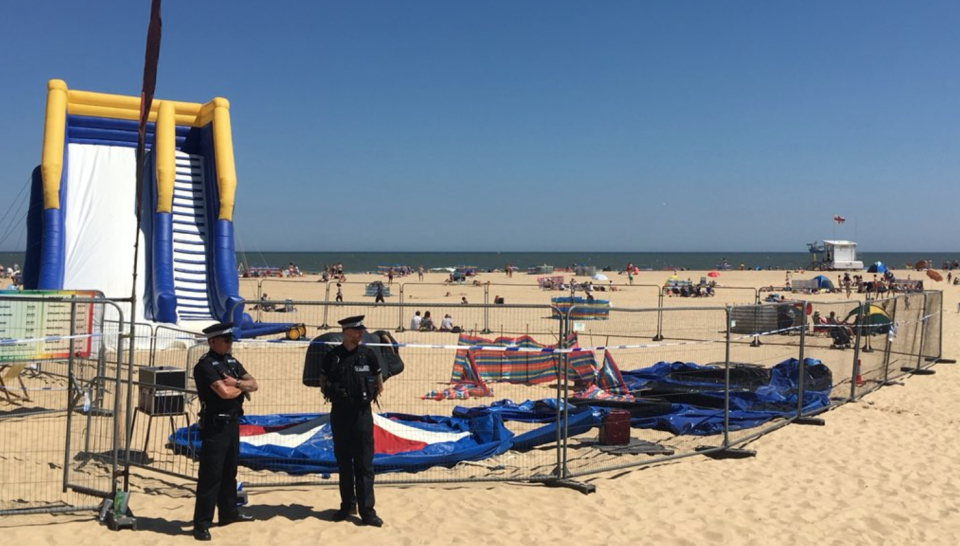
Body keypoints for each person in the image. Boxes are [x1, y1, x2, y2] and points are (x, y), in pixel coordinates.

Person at [192, 323, 258, 541]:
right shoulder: (205, 365)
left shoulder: (230, 362)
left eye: (231, 340)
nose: (230, 344)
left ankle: (229, 513)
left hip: (232, 423)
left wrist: (237, 382)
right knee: (211, 475)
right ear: (213, 341)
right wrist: (240, 386)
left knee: (230, 471)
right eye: (226, 340)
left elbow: (254, 383)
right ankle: (202, 523)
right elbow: (224, 393)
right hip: (215, 424)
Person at [318, 316, 384, 527]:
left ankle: (367, 511)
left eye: (361, 331)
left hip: (362, 414)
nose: (360, 334)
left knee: (364, 464)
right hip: (340, 414)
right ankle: (347, 505)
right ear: (346, 333)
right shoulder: (333, 356)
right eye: (357, 331)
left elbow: (379, 382)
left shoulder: (368, 355)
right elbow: (322, 383)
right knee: (344, 463)